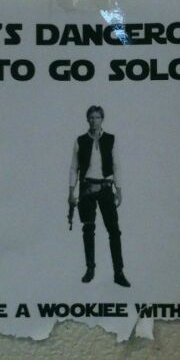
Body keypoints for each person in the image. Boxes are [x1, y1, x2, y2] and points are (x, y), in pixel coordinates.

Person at [68, 106, 130, 287]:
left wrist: (119, 189)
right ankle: (90, 269)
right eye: (91, 117)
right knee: (88, 229)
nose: (94, 120)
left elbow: (116, 165)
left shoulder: (111, 139)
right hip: (86, 189)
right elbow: (74, 168)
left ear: (102, 119)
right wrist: (71, 192)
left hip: (105, 188)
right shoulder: (80, 140)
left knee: (114, 230)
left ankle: (118, 272)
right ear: (87, 119)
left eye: (97, 117)